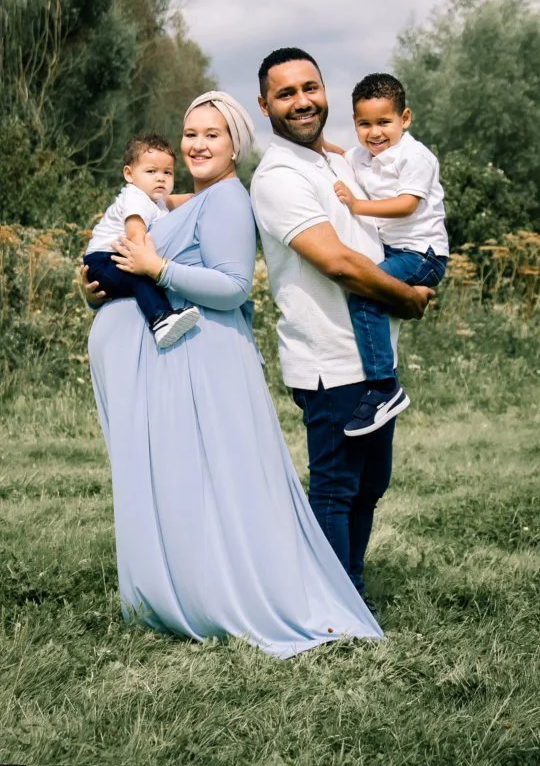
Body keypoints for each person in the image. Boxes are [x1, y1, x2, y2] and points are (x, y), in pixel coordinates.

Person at [84, 90, 383, 659]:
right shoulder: (177, 203)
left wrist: (158, 267)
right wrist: (95, 285)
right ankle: (188, 584)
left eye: (212, 134)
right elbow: (118, 258)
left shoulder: (226, 201)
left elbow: (232, 286)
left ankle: (222, 590)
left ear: (235, 145)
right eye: (190, 133)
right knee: (188, 482)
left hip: (202, 361)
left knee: (214, 483)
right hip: (174, 364)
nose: (197, 143)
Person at [250, 48, 434, 602]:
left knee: (370, 484)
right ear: (264, 105)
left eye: (311, 87)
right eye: (286, 93)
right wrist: (406, 298)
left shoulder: (332, 161)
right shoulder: (278, 176)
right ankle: (330, 605)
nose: (302, 101)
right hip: (328, 361)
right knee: (336, 488)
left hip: (370, 360)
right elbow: (337, 262)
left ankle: (348, 587)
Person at [329, 72, 449, 437]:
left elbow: (407, 205)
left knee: (365, 297)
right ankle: (408, 307)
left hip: (423, 254)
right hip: (399, 251)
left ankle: (384, 387)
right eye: (365, 124)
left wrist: (357, 205)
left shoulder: (416, 157)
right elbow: (334, 152)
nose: (375, 133)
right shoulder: (361, 155)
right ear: (355, 123)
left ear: (405, 119)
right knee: (379, 301)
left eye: (384, 122)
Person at [84, 133, 199, 349]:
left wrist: (202, 197)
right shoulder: (136, 197)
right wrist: (149, 264)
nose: (161, 178)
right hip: (102, 261)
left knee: (142, 274)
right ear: (129, 174)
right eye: (151, 171)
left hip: (112, 259)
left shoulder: (158, 201)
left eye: (168, 172)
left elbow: (179, 200)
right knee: (140, 275)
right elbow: (135, 232)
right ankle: (161, 319)